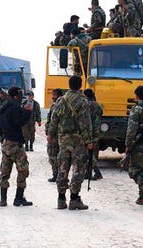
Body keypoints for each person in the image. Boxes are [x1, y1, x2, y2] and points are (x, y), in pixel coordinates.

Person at [48, 75, 92, 210]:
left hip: (63, 139)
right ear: (80, 86)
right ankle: (74, 199)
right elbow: (86, 123)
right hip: (78, 140)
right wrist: (89, 140)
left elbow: (54, 119)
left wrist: (51, 134)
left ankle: (61, 199)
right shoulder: (83, 102)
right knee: (78, 169)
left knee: (62, 168)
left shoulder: (61, 100)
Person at [0, 86, 34, 207]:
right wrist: (27, 111)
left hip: (6, 143)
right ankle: (18, 198)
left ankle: (3, 199)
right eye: (19, 95)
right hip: (15, 144)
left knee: (4, 172)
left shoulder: (4, 108)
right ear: (15, 96)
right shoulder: (13, 108)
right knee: (23, 170)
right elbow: (19, 121)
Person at [84, 88, 103, 180]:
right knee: (92, 153)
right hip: (96, 132)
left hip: (87, 132)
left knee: (87, 153)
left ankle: (97, 172)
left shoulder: (86, 105)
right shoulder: (98, 106)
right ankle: (89, 173)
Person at [45, 88, 63, 182]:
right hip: (59, 135)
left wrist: (50, 134)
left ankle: (57, 175)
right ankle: (58, 174)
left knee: (53, 154)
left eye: (54, 95)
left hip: (55, 135)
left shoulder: (58, 106)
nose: (52, 97)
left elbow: (53, 122)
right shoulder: (55, 106)